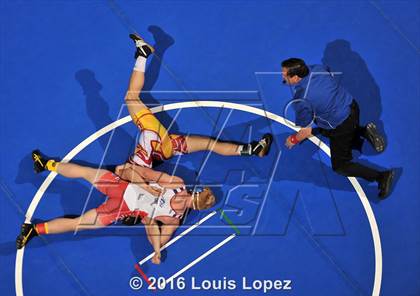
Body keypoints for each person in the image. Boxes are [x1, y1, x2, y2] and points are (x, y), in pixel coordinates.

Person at [16, 150, 216, 264]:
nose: (191, 197)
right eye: (195, 194)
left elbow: (157, 235)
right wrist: (131, 171)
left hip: (120, 207)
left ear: (196, 203)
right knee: (85, 173)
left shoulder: (173, 218)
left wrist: (156, 250)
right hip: (123, 187)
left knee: (79, 223)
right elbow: (148, 174)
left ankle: (34, 229)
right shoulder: (176, 185)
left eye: (195, 198)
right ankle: (46, 164)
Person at [124, 33, 273, 169]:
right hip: (157, 141)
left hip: (166, 150)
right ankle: (143, 54)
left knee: (210, 144)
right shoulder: (135, 171)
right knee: (131, 97)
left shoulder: (137, 171)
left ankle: (252, 150)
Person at [281, 58, 394, 199]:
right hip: (352, 106)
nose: (282, 76)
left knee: (340, 166)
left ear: (296, 77)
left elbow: (306, 130)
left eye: (284, 75)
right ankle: (364, 131)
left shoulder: (302, 100)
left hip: (340, 124)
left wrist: (294, 139)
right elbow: (328, 72)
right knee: (330, 129)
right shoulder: (316, 69)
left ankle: (381, 176)